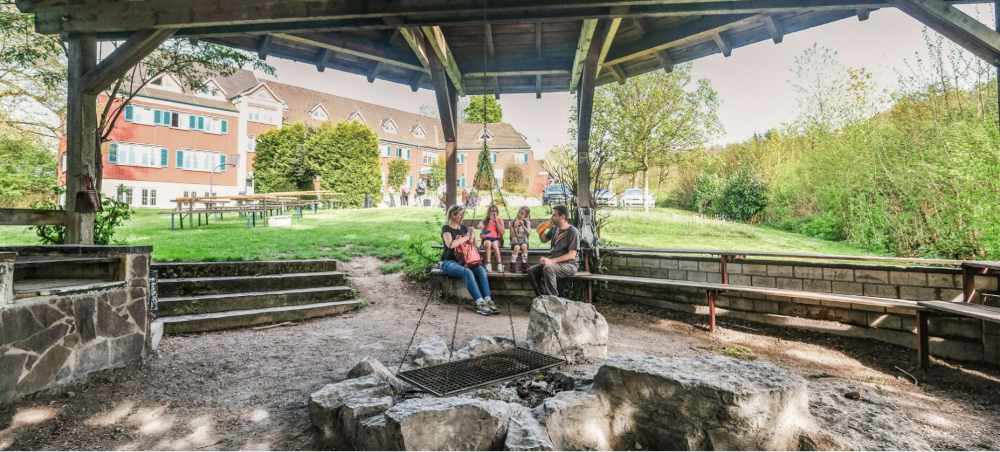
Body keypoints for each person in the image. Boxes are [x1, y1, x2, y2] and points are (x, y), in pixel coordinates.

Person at [440, 205, 497, 316]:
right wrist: (466, 237)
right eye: (461, 214)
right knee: (467, 272)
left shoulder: (463, 227)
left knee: (481, 270)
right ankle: (480, 303)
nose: (463, 216)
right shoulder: (446, 228)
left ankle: (487, 300)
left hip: (465, 261)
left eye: (463, 214)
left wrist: (472, 235)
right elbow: (450, 244)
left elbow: (473, 244)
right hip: (448, 262)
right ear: (454, 215)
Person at [527, 205, 580, 297]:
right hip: (554, 263)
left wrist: (551, 261)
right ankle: (542, 298)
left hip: (569, 265)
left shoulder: (572, 231)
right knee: (531, 271)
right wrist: (541, 232)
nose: (552, 217)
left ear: (562, 217)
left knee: (548, 269)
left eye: (554, 215)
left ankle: (554, 299)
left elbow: (572, 255)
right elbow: (544, 240)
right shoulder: (555, 229)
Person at [477, 205, 505, 273]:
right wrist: (483, 231)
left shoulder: (499, 220)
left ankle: (499, 264)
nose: (493, 212)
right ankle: (488, 264)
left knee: (494, 244)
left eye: (495, 211)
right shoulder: (485, 221)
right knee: (488, 243)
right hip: (487, 239)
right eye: (491, 211)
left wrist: (496, 221)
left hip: (496, 240)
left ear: (497, 212)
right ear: (488, 212)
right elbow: (481, 236)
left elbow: (502, 232)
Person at [509, 206, 531, 273]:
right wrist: (515, 227)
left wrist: (523, 226)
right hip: (515, 241)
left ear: (525, 216)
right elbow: (511, 235)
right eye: (519, 212)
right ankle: (512, 264)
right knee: (517, 247)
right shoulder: (512, 222)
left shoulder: (526, 222)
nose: (519, 214)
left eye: (522, 214)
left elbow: (528, 233)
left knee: (524, 246)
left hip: (523, 241)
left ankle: (524, 264)